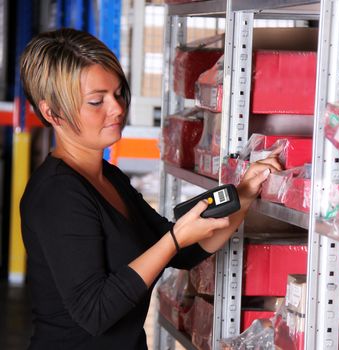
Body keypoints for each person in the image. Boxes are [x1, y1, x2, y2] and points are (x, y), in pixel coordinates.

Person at [19, 28, 281, 350]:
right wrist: (173, 241)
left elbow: (186, 251)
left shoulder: (109, 178)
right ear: (51, 112)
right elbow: (95, 312)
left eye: (119, 94)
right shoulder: (57, 195)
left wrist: (244, 194)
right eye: (96, 101)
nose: (116, 109)